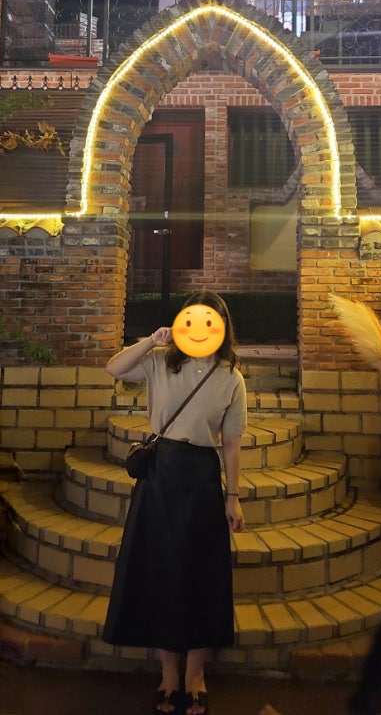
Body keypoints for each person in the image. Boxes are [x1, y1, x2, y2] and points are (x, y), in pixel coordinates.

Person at [102, 290, 247, 715]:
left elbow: (232, 444)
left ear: (222, 328)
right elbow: (113, 367)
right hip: (161, 473)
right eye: (191, 319)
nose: (200, 329)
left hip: (201, 476)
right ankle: (168, 673)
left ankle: (195, 674)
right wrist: (152, 339)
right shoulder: (159, 362)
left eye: (210, 321)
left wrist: (233, 497)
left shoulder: (230, 378)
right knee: (161, 571)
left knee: (202, 573)